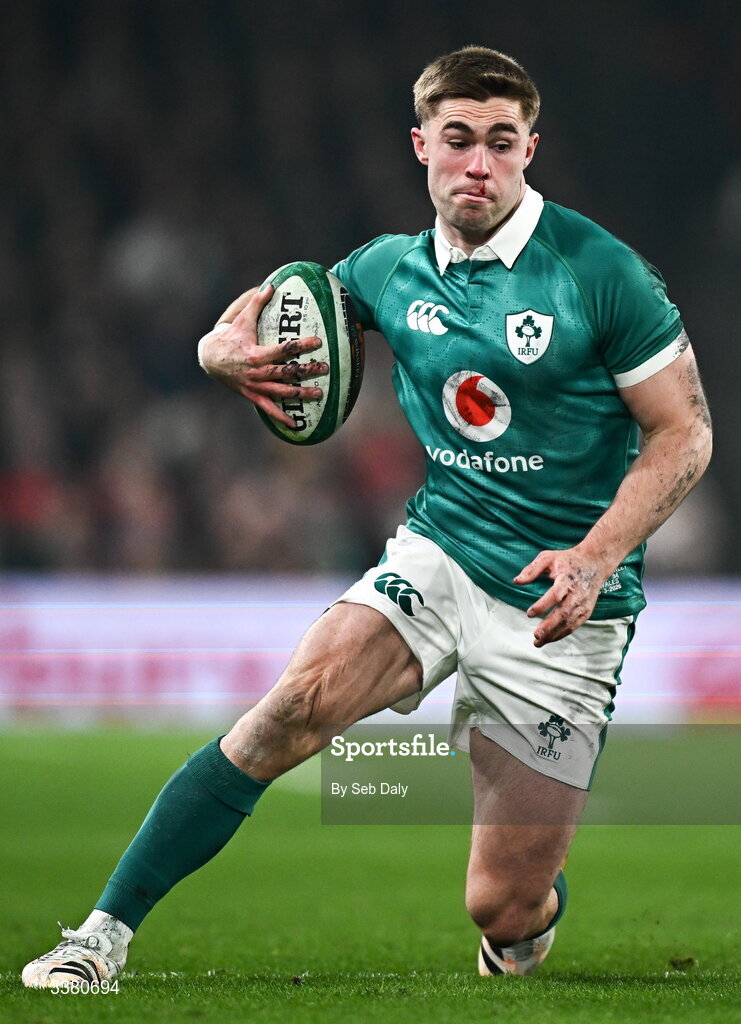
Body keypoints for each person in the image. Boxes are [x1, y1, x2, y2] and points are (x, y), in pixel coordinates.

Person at [23, 45, 712, 987]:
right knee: (289, 711)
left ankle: (526, 920)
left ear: (530, 149)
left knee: (500, 907)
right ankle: (99, 937)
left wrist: (595, 556)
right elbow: (291, 307)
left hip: (562, 600)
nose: (479, 164)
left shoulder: (602, 274)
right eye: (459, 139)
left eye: (501, 143)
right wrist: (214, 354)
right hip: (440, 550)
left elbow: (684, 436)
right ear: (420, 143)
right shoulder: (388, 269)